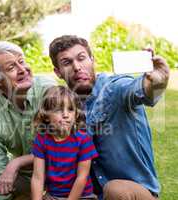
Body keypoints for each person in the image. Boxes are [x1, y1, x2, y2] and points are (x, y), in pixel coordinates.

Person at [48, 35, 169, 200]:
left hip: (133, 193)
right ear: (58, 72)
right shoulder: (68, 108)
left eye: (81, 58)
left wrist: (157, 84)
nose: (77, 67)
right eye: (67, 63)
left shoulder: (115, 88)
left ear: (92, 60)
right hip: (94, 195)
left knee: (115, 189)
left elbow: (137, 91)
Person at [0, 41, 56, 200]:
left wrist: (17, 162)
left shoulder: (48, 91)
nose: (22, 69)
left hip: (56, 170)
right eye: (11, 68)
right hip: (23, 175)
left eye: (22, 61)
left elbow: (63, 146)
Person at [31, 86, 98, 200]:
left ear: (76, 114)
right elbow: (38, 177)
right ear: (46, 115)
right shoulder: (42, 140)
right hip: (54, 196)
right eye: (58, 110)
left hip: (82, 196)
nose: (66, 115)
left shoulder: (83, 140)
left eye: (70, 109)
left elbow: (82, 177)